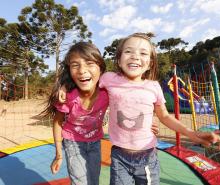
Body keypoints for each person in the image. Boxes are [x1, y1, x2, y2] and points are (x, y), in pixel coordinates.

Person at [59, 33, 220, 185]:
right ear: (118, 59)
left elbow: (165, 117)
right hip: (119, 156)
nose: (135, 56)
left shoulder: (153, 87)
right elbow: (86, 77)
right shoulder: (109, 79)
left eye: (143, 53)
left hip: (146, 156)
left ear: (150, 63)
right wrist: (64, 87)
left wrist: (192, 134)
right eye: (128, 51)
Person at [44, 41, 159, 185]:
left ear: (101, 68)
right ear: (69, 70)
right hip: (73, 141)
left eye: (89, 63)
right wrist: (59, 154)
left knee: (93, 180)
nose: (82, 70)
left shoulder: (107, 92)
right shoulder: (68, 96)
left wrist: (149, 123)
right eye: (75, 65)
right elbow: (57, 122)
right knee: (80, 182)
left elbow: (131, 103)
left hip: (94, 142)